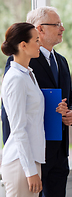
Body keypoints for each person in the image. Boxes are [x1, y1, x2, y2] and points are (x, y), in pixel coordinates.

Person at [1, 6, 72, 197]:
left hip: (58, 152)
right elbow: (10, 116)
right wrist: (20, 157)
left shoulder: (60, 61)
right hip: (32, 153)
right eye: (57, 24)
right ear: (40, 29)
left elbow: (70, 97)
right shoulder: (22, 64)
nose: (62, 28)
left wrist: (71, 112)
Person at [1, 22, 45, 196]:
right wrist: (30, 171)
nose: (39, 44)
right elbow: (18, 128)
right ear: (23, 45)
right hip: (21, 164)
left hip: (31, 160)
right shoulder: (16, 79)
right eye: (36, 40)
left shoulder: (28, 74)